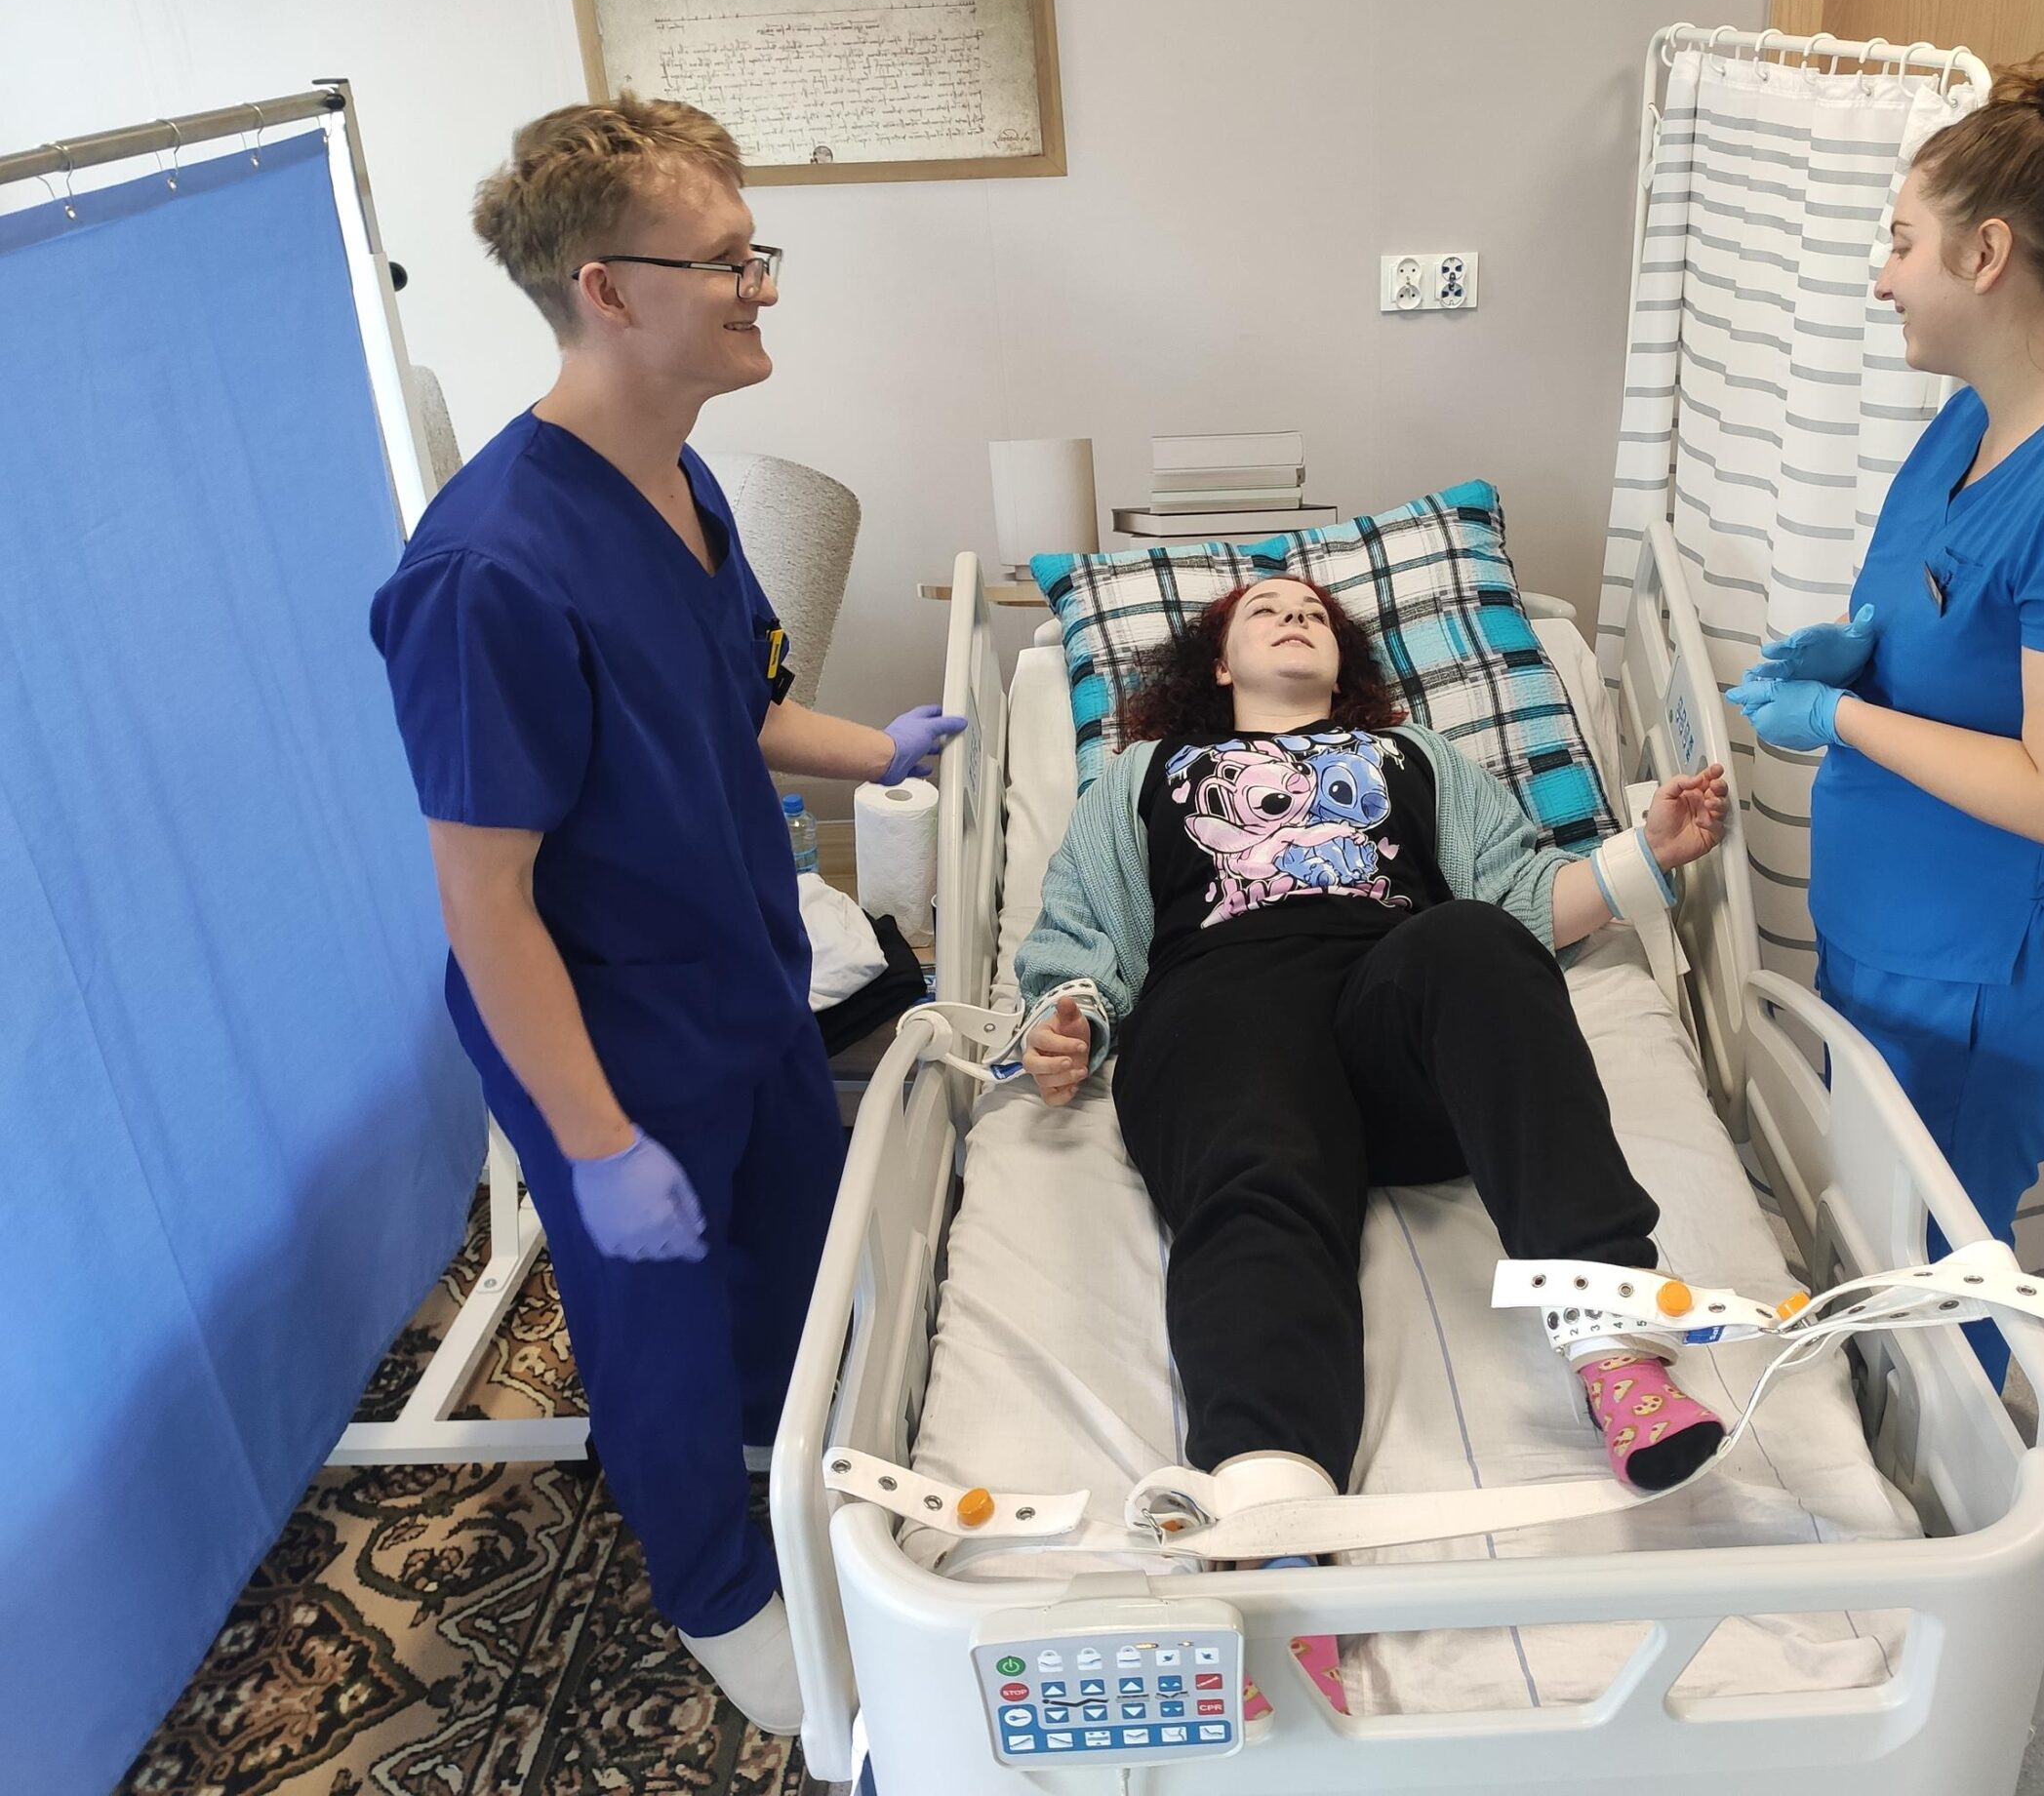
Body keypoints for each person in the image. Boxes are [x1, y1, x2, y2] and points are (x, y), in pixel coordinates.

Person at [368, 96, 963, 1733]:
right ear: (609, 291)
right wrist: (597, 1142)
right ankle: (714, 1590)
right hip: (609, 1031)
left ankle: (796, 1479)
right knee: (661, 1334)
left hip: (743, 977)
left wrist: (884, 748)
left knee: (799, 1268)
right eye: (727, 262)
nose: (760, 288)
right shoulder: (488, 572)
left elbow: (736, 703)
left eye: (756, 253)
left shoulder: (680, 485)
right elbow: (485, 900)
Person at [1013, 573, 1732, 1712]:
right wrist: (1065, 1025)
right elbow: (1080, 937)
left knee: (1471, 937)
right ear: (1218, 664)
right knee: (1257, 1170)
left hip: (1393, 1021)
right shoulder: (1141, 774)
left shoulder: (1419, 759)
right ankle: (1276, 1538)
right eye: (1264, 611)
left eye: (1314, 613)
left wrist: (1647, 853)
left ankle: (1615, 1352)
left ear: (1344, 663)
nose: (1295, 617)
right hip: (1223, 1007)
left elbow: (1524, 900)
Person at [1727, 37, 2044, 1388]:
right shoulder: (1973, 415)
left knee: (1935, 1305)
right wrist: (1860, 656)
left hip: (1997, 967)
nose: (1880, 276)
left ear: (1986, 254)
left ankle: (1933, 1518)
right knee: (1875, 1256)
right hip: (1904, 933)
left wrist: (1844, 720)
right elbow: (1961, 616)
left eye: (1900, 243)